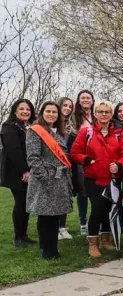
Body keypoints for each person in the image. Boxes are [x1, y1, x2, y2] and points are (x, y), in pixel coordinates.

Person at [70, 99, 123, 258]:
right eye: (100, 112)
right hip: (93, 179)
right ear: (95, 114)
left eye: (107, 112)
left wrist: (118, 165)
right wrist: (88, 160)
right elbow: (75, 153)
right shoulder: (86, 132)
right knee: (97, 209)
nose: (104, 114)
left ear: (111, 114)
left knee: (108, 210)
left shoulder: (118, 133)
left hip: (112, 179)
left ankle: (105, 239)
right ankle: (93, 243)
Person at [25, 101, 74, 260]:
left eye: (54, 112)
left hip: (58, 179)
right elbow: (33, 157)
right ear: (42, 112)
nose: (51, 114)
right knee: (47, 217)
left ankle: (48, 247)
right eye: (48, 111)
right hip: (45, 180)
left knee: (53, 216)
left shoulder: (57, 131)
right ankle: (49, 251)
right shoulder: (35, 131)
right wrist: (44, 176)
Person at [1, 99, 37, 248]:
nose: (25, 111)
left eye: (28, 109)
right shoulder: (9, 127)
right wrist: (24, 171)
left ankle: (24, 235)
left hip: (26, 170)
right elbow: (14, 150)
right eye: (21, 109)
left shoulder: (25, 126)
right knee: (21, 203)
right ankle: (18, 237)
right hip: (16, 172)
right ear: (15, 111)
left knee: (26, 204)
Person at [71, 90, 95, 235]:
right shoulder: (75, 117)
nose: (86, 100)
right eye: (83, 98)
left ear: (92, 101)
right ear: (79, 101)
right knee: (82, 191)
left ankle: (96, 220)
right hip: (81, 158)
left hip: (95, 156)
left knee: (96, 190)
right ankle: (83, 222)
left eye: (88, 98)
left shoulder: (97, 116)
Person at [57, 96, 75, 240]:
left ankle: (62, 227)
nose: (68, 108)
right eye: (65, 105)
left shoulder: (70, 126)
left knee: (64, 196)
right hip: (52, 165)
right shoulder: (52, 124)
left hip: (66, 165)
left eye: (70, 106)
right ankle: (53, 228)